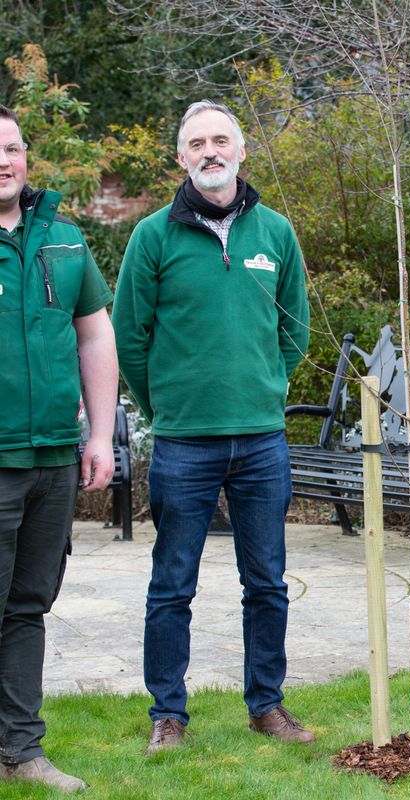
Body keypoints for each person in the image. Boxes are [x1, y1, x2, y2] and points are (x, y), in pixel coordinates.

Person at [112, 100, 311, 754]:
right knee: (172, 584)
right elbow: (129, 338)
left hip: (261, 441)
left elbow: (295, 330)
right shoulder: (152, 237)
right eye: (196, 142)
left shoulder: (276, 233)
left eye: (220, 139)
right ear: (181, 157)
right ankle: (168, 714)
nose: (210, 151)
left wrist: (265, 388)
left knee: (268, 582)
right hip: (182, 443)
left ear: (241, 150)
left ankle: (267, 706)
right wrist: (166, 406)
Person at [0, 105, 117, 792]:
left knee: (26, 607)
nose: (3, 162)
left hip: (50, 459)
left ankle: (20, 749)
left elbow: (94, 335)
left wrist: (99, 434)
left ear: (26, 157)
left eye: (11, 148)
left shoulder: (64, 241)